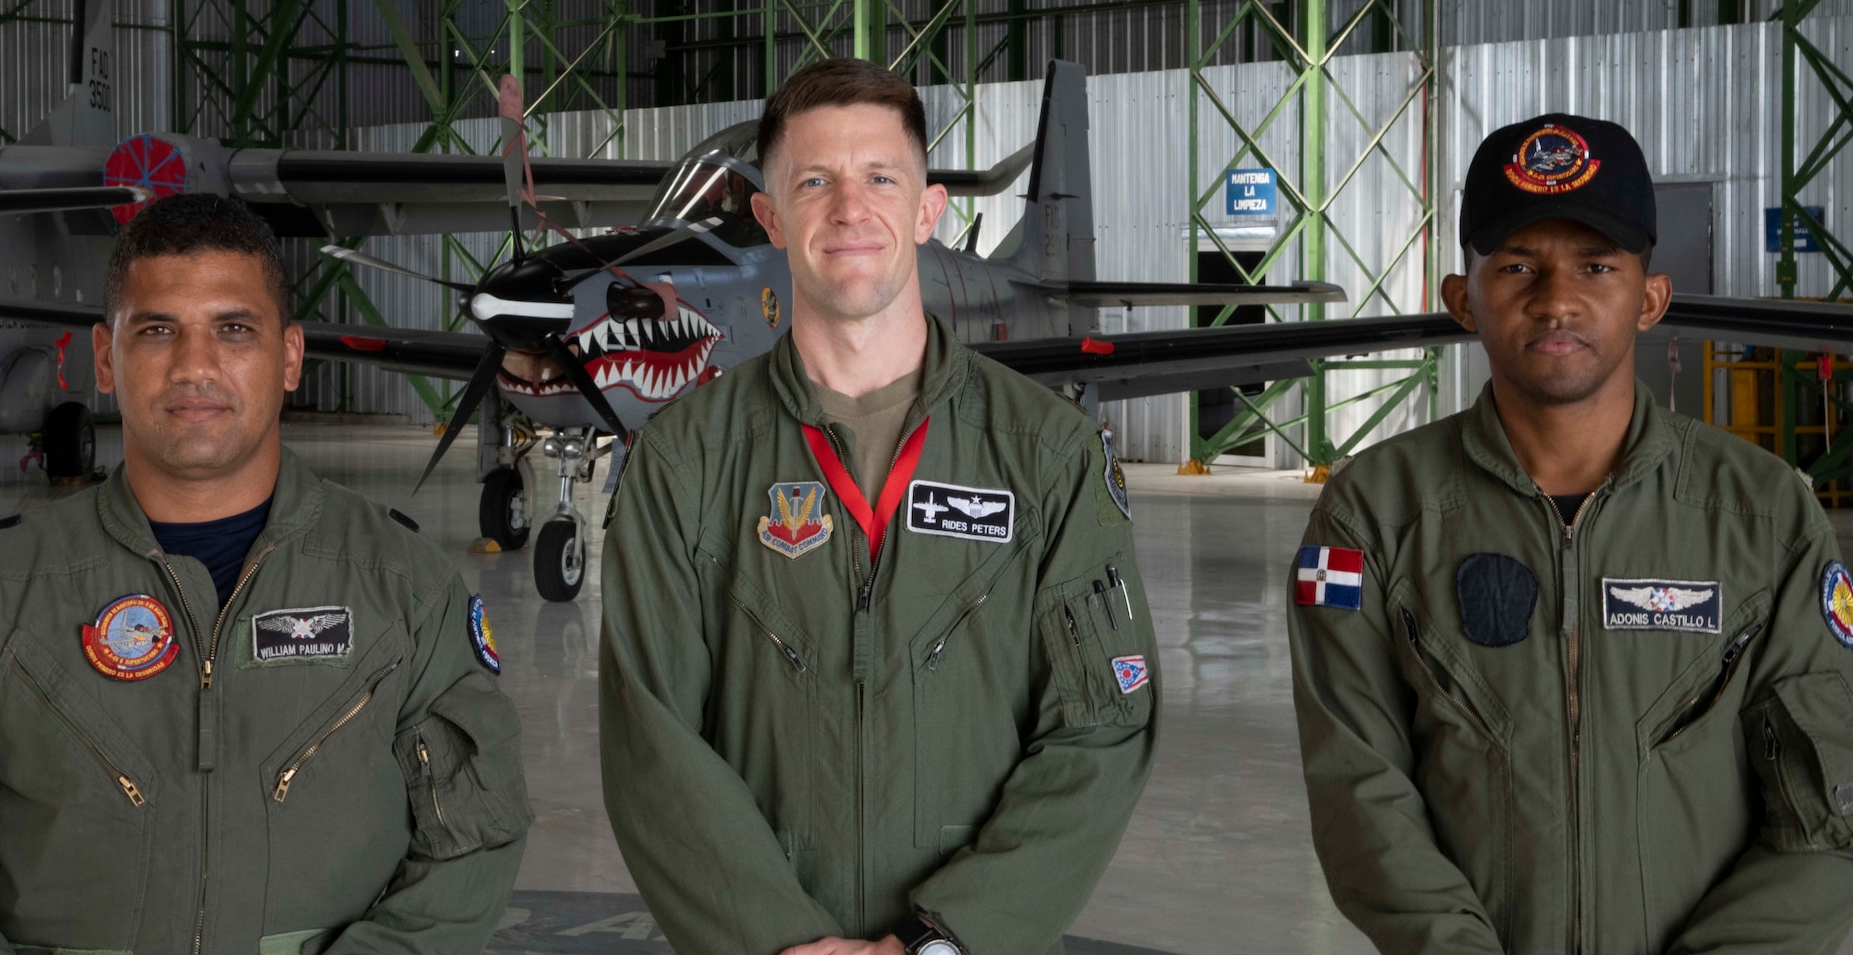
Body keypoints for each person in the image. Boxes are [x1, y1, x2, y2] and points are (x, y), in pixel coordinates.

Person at [0, 194, 531, 954]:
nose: (195, 365)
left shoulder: (403, 586)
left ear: (290, 357)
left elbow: (476, 831)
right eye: (157, 330)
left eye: (234, 329)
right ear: (106, 360)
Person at [599, 58, 1157, 955]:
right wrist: (778, 938)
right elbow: (649, 737)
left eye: (880, 177)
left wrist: (946, 940)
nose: (849, 209)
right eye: (814, 180)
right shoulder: (683, 458)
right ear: (771, 216)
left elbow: (1101, 725)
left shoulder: (1048, 453)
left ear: (928, 210)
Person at [1288, 113, 1853, 953]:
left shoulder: (1764, 516)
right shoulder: (1368, 517)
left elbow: (1827, 811)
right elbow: (1360, 791)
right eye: (1517, 265)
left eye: (1596, 265)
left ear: (1650, 298)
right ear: (1460, 299)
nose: (1556, 297)